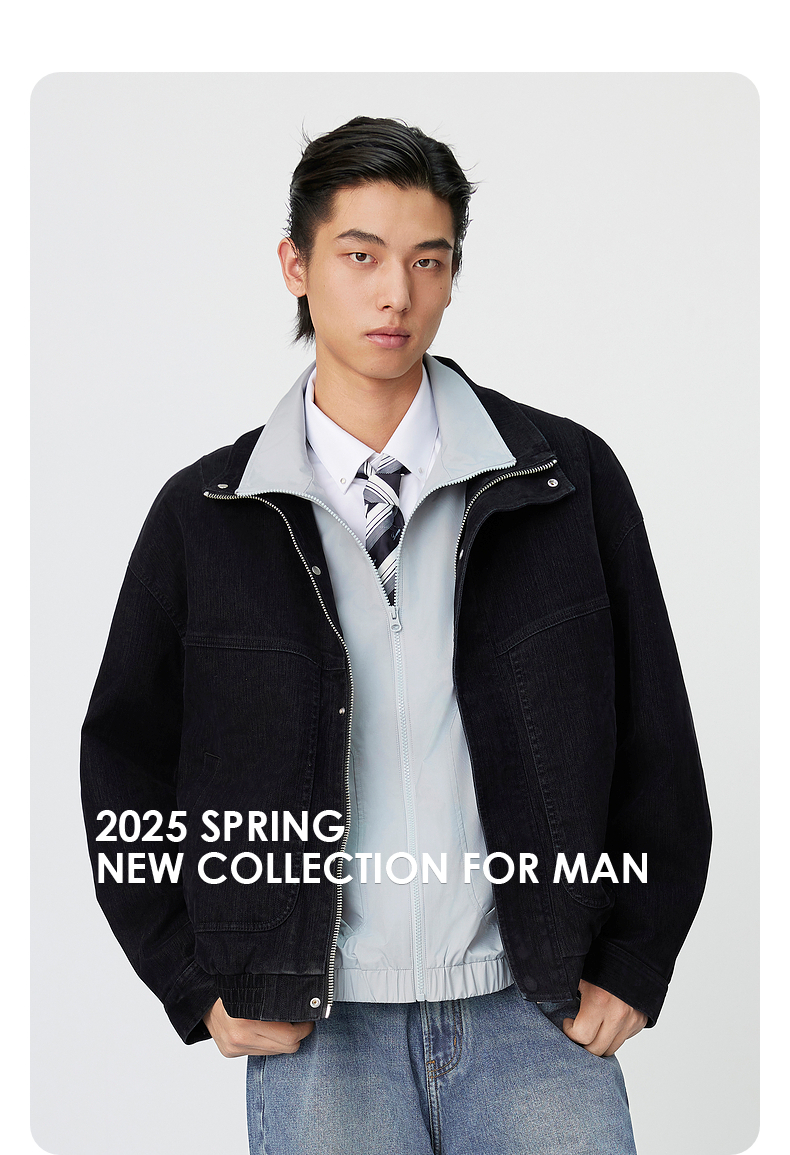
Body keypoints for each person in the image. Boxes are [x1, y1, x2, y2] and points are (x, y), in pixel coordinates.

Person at [81, 116, 712, 1154]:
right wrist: (194, 982)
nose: (396, 295)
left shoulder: (565, 481)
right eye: (361, 256)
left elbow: (658, 740)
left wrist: (636, 959)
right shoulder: (208, 515)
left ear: (453, 276)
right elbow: (124, 764)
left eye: (429, 260)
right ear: (296, 266)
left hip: (535, 1014)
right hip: (320, 1034)